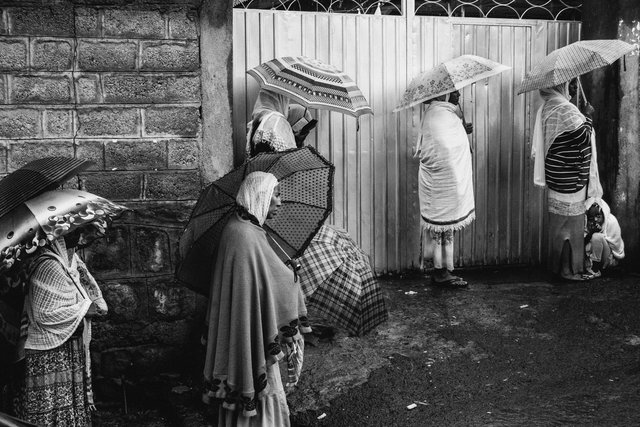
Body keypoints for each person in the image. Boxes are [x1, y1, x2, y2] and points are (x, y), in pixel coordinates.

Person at [245, 89, 388, 337]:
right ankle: (296, 323)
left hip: (266, 206)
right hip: (281, 205)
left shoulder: (257, 123)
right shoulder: (276, 123)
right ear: (280, 99)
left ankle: (299, 322)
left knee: (290, 262)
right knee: (298, 261)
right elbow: (287, 167)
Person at [202, 171, 311, 426]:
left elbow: (262, 277)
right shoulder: (246, 235)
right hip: (250, 331)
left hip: (242, 327)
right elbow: (275, 283)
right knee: (263, 389)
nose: (280, 202)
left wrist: (284, 270)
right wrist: (292, 275)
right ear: (261, 197)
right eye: (276, 194)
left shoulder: (240, 227)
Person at [12, 228, 107, 426]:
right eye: (68, 231)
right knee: (50, 405)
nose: (76, 233)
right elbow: (44, 313)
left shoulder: (71, 262)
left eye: (77, 229)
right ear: (54, 236)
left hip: (65, 345)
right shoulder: (49, 265)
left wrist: (86, 305)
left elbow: (92, 295)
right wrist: (84, 310)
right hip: (48, 350)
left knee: (65, 402)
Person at [531, 78, 603, 281]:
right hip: (571, 178)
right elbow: (581, 137)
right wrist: (587, 116)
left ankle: (560, 268)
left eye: (573, 83)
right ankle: (568, 271)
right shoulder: (565, 108)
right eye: (569, 84)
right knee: (571, 226)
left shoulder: (547, 107)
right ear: (558, 87)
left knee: (559, 225)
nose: (573, 87)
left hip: (557, 175)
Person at [414, 90, 475, 287]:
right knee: (440, 228)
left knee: (444, 228)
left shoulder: (446, 114)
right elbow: (443, 148)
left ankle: (443, 270)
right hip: (441, 182)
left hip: (446, 183)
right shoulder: (438, 114)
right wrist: (459, 130)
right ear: (441, 95)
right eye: (452, 92)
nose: (457, 94)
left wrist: (461, 130)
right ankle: (440, 272)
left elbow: (451, 142)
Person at [584, 197, 624, 278]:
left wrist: (596, 234)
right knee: (593, 236)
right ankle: (591, 266)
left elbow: (616, 246)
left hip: (608, 258)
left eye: (598, 216)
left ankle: (595, 270)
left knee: (597, 237)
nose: (595, 219)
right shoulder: (586, 223)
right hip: (592, 256)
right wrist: (591, 232)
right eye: (591, 217)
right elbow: (581, 243)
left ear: (604, 214)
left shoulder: (611, 221)